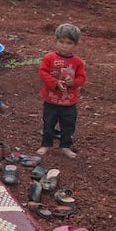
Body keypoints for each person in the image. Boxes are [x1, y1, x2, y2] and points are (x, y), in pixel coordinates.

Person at [37, 23, 87, 159]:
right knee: (48, 123)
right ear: (56, 41)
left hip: (69, 101)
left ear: (75, 45)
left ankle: (65, 146)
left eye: (69, 43)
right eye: (61, 42)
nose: (64, 46)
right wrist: (55, 83)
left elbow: (82, 77)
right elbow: (43, 73)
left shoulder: (77, 62)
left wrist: (74, 83)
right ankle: (46, 144)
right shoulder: (49, 58)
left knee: (68, 125)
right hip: (51, 99)